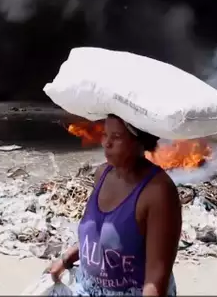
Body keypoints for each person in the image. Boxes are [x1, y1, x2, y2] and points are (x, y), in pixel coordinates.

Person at [47, 114, 182, 296]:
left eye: (116, 137)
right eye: (105, 134)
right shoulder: (102, 174)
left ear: (139, 142)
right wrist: (66, 258)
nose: (106, 143)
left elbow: (156, 278)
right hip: (87, 286)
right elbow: (100, 235)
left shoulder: (158, 192)